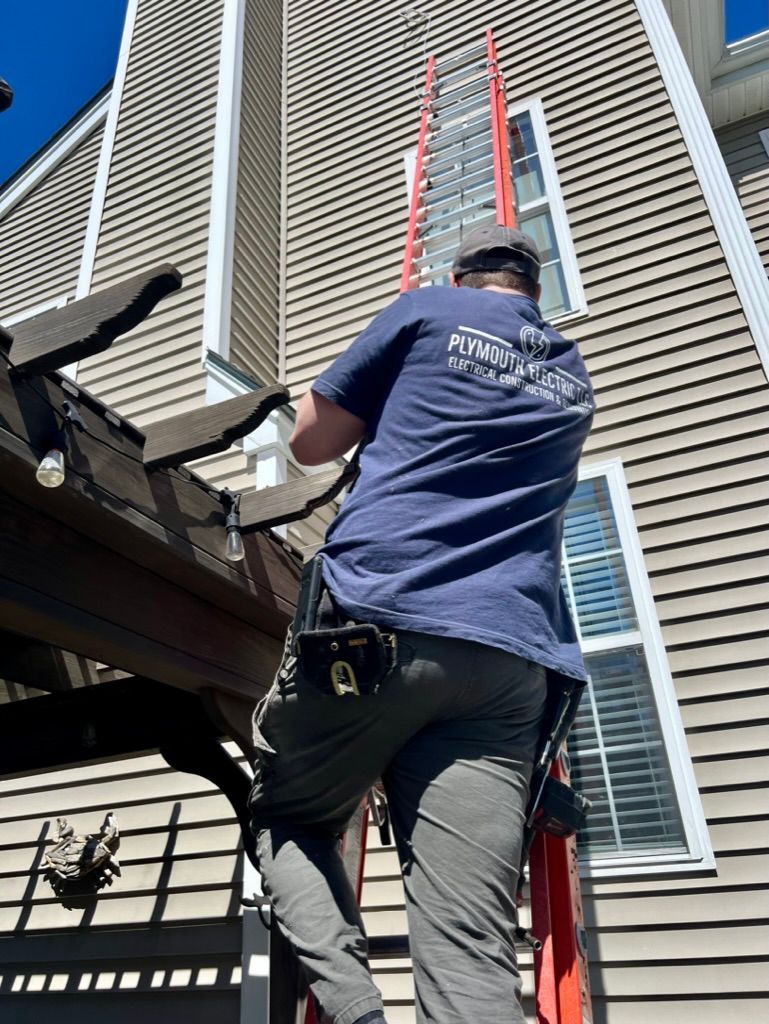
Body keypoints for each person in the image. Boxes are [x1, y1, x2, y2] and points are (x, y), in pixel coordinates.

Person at [248, 225, 595, 1024]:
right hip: (508, 667)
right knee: (469, 954)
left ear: (458, 273)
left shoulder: (424, 309)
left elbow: (309, 445)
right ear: (532, 292)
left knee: (288, 818)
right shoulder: (572, 374)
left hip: (380, 624)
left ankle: (356, 1011)